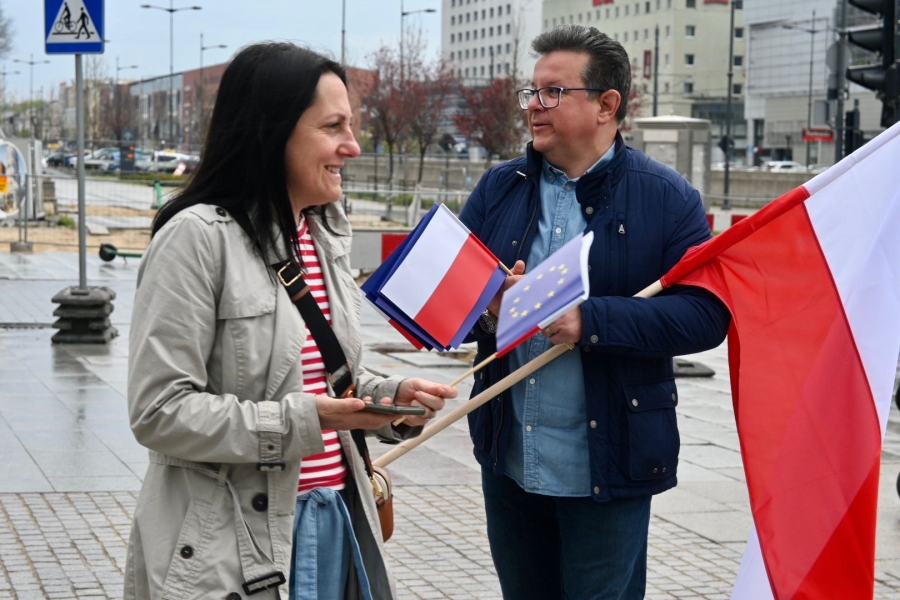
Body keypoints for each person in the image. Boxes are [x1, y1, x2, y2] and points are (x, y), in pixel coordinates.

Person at [124, 42, 456, 600]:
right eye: (333, 127)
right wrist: (304, 420)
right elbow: (159, 412)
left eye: (352, 126)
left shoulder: (321, 233)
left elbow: (320, 378)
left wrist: (388, 397)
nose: (352, 146)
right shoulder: (196, 238)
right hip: (232, 541)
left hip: (335, 521)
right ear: (270, 132)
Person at [459, 25, 731, 599]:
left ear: (607, 105)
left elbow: (707, 314)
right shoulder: (499, 188)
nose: (533, 105)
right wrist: (489, 304)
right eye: (530, 91)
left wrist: (592, 321)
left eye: (552, 92)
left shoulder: (666, 196)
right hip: (509, 457)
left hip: (611, 464)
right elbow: (458, 303)